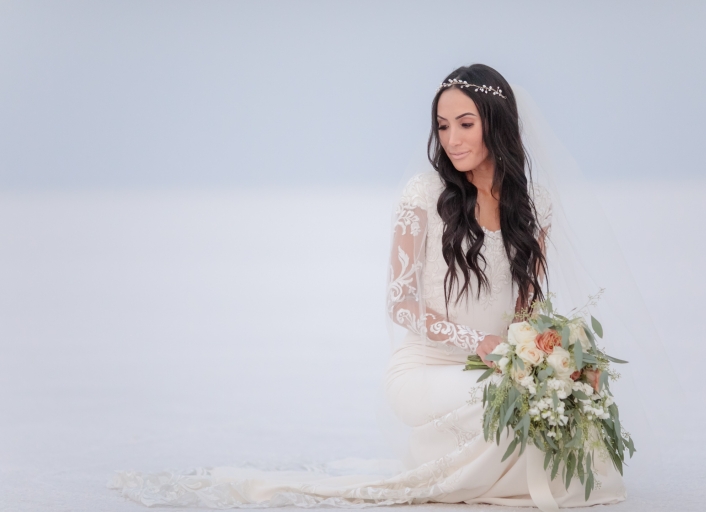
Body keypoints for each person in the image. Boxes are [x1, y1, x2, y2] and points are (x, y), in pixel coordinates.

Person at [110, 64, 632, 510]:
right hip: (425, 369)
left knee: (558, 393)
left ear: (497, 124)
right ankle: (471, 472)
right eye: (443, 125)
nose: (452, 139)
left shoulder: (534, 202)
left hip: (497, 367)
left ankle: (484, 468)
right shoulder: (424, 195)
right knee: (505, 396)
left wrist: (544, 354)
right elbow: (400, 304)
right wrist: (482, 345)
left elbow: (527, 306)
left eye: (465, 123)